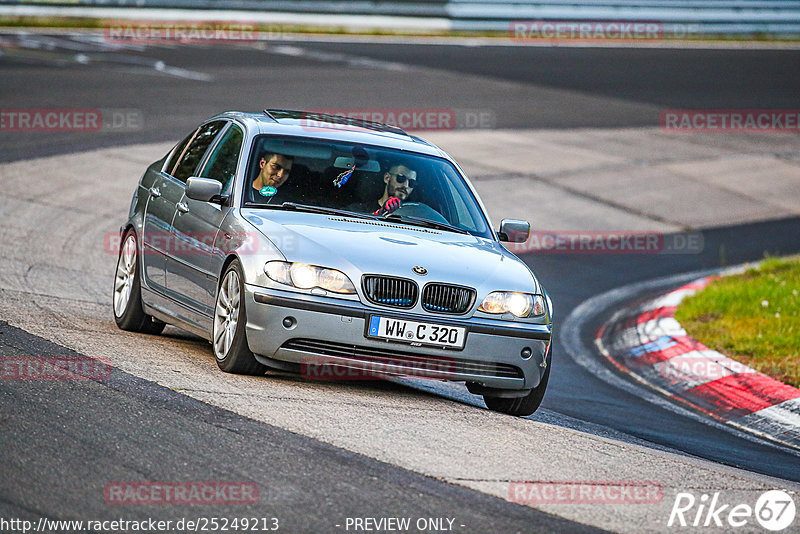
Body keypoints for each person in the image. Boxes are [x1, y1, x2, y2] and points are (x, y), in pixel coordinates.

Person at [348, 162, 417, 214]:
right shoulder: (358, 210)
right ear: (387, 178)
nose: (406, 185)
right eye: (401, 178)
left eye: (412, 183)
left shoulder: (416, 218)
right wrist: (380, 213)